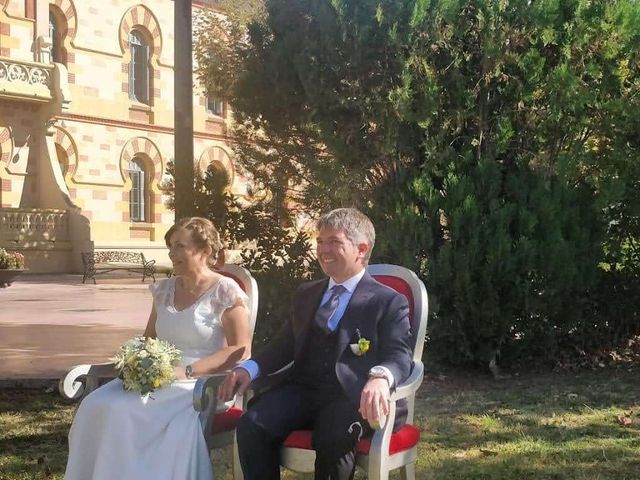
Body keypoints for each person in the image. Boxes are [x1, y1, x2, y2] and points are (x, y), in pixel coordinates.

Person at [218, 208, 413, 480]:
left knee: (333, 437)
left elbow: (400, 354)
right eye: (320, 242)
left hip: (351, 396)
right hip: (303, 390)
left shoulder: (387, 301)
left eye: (334, 242)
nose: (323, 250)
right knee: (253, 424)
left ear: (362, 249)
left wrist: (381, 377)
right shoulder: (306, 293)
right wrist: (248, 369)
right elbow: (283, 345)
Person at [64, 217, 251, 480]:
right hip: (157, 377)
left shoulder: (225, 291)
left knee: (124, 411)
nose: (171, 254)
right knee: (96, 404)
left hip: (201, 384)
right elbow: (149, 339)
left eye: (179, 247)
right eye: (170, 247)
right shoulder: (163, 290)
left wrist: (186, 371)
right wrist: (135, 362)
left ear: (205, 251)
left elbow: (239, 350)